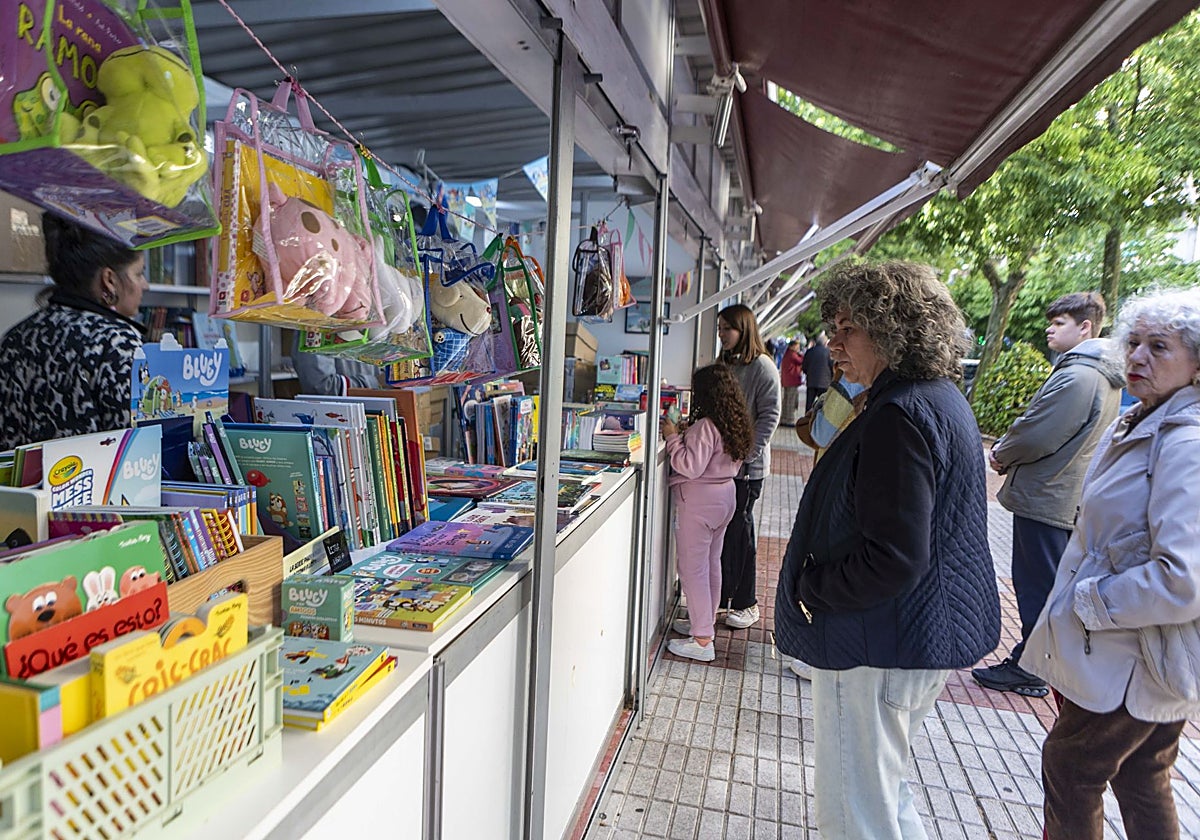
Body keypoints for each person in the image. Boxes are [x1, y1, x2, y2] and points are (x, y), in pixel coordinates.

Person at [774, 262, 1001, 840]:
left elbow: (895, 557)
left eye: (848, 329)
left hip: (879, 642)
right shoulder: (933, 398)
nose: (834, 343)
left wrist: (812, 588)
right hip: (905, 637)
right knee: (884, 790)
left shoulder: (899, 414)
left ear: (892, 331)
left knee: (855, 812)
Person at [1023, 287, 1200, 840]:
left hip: (1133, 660)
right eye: (1135, 342)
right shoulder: (1145, 421)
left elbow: (1183, 578)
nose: (1139, 357)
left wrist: (1092, 603)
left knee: (1072, 768)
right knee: (1143, 777)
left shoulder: (1184, 441)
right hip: (1134, 659)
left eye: (1160, 347)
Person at [973, 291, 1123, 698]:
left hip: (1049, 497)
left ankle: (1033, 666)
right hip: (1063, 495)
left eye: (1059, 323)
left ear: (1086, 327)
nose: (1049, 329)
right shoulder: (1100, 373)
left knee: (1037, 585)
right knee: (1045, 583)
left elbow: (1039, 431)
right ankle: (1037, 661)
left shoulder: (1079, 376)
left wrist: (1002, 452)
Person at [0, 213, 147, 450]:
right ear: (109, 280)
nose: (144, 285)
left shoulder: (16, 337)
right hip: (94, 485)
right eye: (139, 273)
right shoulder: (118, 342)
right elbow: (136, 449)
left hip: (19, 487)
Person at [663, 363, 754, 662]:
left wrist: (673, 436)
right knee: (711, 563)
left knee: (692, 568)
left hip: (698, 501)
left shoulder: (705, 426)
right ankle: (705, 624)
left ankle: (702, 640)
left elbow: (689, 466)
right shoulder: (732, 423)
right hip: (725, 496)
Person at [785, 368, 868, 680]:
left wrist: (828, 399)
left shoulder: (852, 380)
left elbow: (819, 431)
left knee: (831, 561)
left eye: (845, 331)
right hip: (846, 482)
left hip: (838, 484)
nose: (835, 342)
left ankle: (823, 654)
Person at [716, 303, 781, 630]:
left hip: (747, 471)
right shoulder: (726, 363)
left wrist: (748, 455)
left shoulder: (762, 367)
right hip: (722, 467)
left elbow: (770, 416)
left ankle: (746, 602)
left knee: (741, 535)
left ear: (744, 329)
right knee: (725, 535)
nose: (722, 334)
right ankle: (723, 598)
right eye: (719, 328)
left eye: (728, 328)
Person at [801, 330, 833, 411]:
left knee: (809, 404)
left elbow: (804, 366)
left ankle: (806, 421)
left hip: (811, 381)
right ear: (825, 343)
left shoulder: (809, 351)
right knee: (824, 405)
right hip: (825, 382)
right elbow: (832, 366)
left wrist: (808, 373)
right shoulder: (828, 353)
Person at [779, 339, 805, 425]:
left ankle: (784, 418)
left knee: (786, 400)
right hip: (791, 381)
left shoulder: (788, 353)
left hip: (787, 381)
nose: (798, 348)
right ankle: (789, 419)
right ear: (792, 346)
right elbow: (801, 361)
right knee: (790, 400)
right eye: (797, 346)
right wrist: (801, 354)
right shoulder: (792, 354)